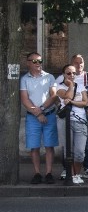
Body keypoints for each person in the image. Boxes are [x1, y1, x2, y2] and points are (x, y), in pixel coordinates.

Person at [20, 52, 59, 184]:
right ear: (28, 63)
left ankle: (49, 173)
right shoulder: (25, 79)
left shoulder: (49, 77)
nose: (38, 64)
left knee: (49, 145)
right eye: (35, 61)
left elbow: (53, 96)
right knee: (34, 146)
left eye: (40, 61)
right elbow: (25, 99)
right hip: (33, 118)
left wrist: (41, 110)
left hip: (49, 115)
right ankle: (37, 173)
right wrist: (37, 114)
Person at [55, 54, 88, 179]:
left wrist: (72, 102)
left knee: (80, 153)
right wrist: (71, 86)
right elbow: (66, 96)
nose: (72, 75)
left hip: (80, 120)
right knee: (68, 151)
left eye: (73, 73)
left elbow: (85, 102)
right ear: (63, 75)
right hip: (65, 121)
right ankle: (71, 175)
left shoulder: (81, 86)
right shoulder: (60, 86)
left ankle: (77, 174)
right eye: (69, 73)